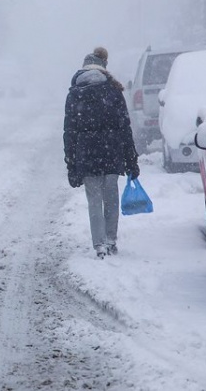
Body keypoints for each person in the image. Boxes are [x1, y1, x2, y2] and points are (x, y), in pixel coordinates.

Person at [63, 47, 139, 259]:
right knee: (111, 197)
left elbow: (69, 131)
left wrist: (71, 162)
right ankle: (111, 239)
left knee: (94, 200)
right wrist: (131, 159)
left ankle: (99, 245)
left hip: (87, 154)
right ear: (104, 68)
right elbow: (124, 127)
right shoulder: (113, 91)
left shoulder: (75, 94)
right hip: (111, 151)